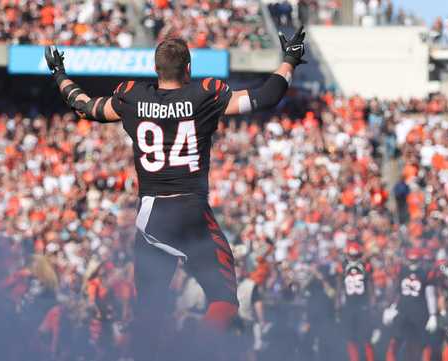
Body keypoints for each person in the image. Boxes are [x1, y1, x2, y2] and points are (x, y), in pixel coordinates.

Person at [43, 27, 307, 361]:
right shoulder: (205, 95)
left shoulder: (132, 97)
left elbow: (84, 105)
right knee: (224, 299)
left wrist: (59, 74)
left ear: (156, 70)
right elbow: (267, 95)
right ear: (189, 70)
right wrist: (290, 59)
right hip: (191, 211)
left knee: (149, 311)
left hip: (150, 215)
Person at [386, 247, 438, 361]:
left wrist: (433, 314)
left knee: (421, 344)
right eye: (411, 260)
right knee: (394, 342)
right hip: (403, 311)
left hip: (420, 313)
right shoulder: (401, 270)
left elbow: (430, 295)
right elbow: (396, 291)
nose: (413, 264)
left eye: (415, 261)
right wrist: (390, 307)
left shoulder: (426, 272)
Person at [337, 242, 375, 361]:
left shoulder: (366, 266)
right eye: (351, 256)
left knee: (366, 338)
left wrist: (372, 305)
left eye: (356, 256)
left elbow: (370, 287)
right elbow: (339, 288)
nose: (353, 259)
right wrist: (338, 306)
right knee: (350, 338)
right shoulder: (342, 267)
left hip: (363, 306)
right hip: (349, 306)